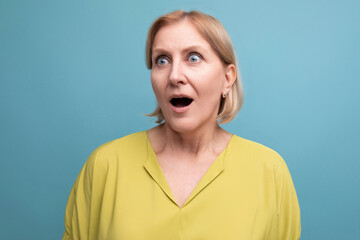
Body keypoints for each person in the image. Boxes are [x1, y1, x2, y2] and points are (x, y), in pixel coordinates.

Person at [63, 10, 301, 240]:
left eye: (193, 57)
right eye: (162, 60)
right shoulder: (105, 166)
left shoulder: (268, 172)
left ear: (227, 79)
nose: (174, 75)